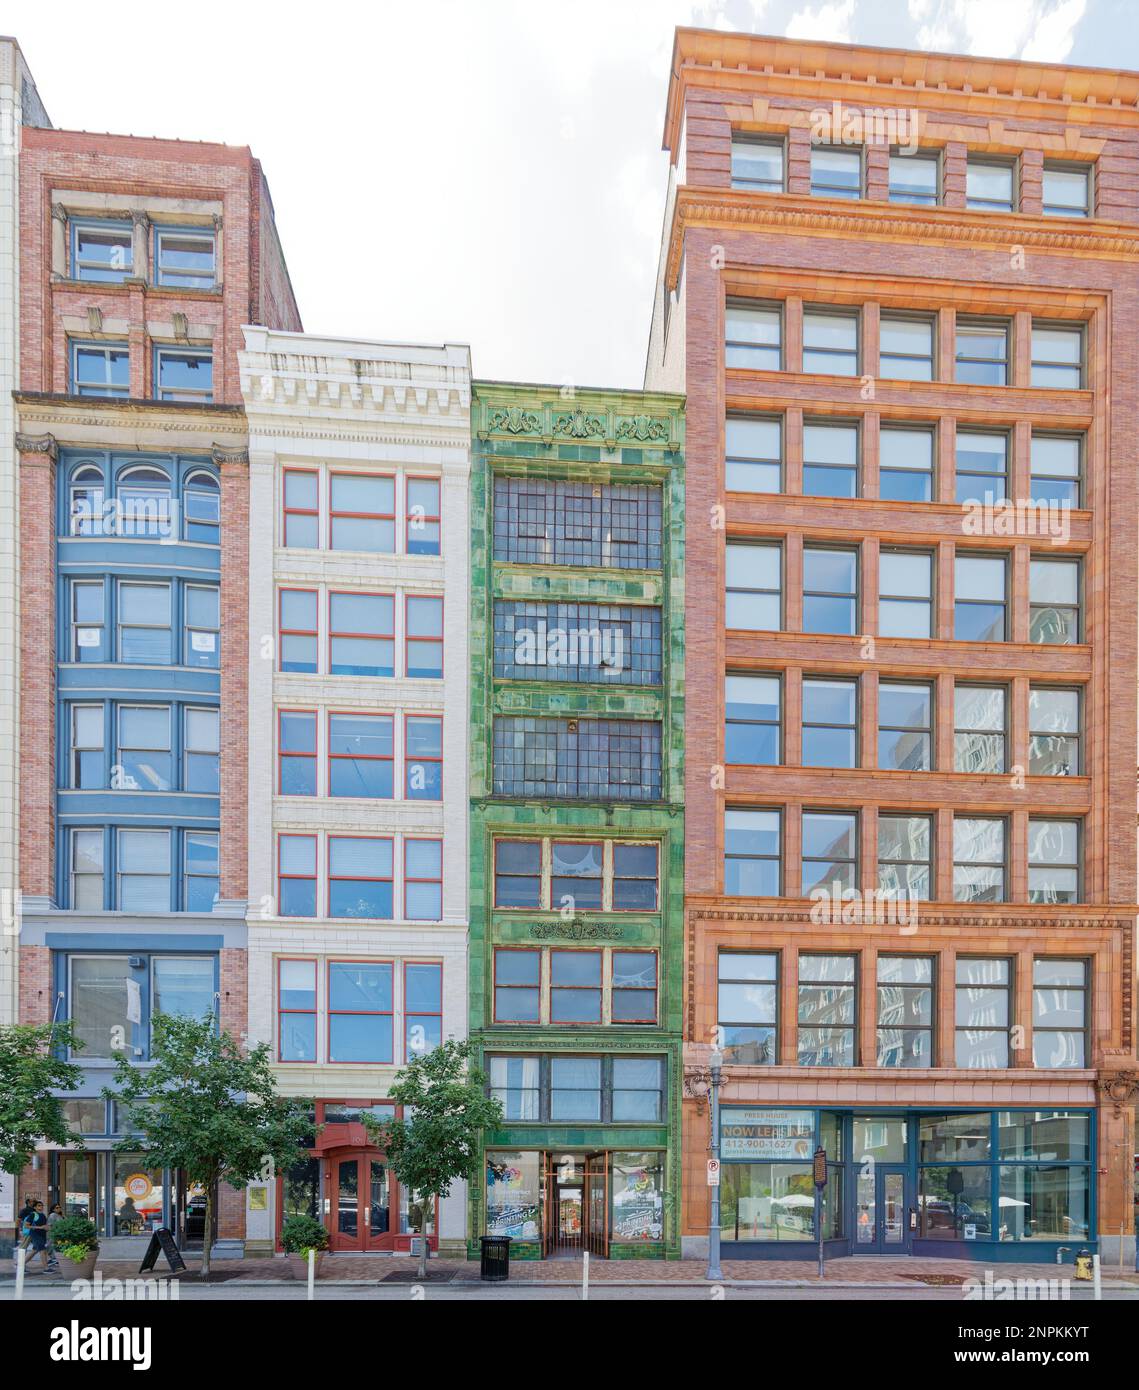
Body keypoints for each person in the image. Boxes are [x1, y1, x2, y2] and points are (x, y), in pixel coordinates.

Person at [22, 1201, 57, 1273]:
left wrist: (48, 1228)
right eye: (39, 1205)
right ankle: (46, 1268)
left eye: (42, 1205)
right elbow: (26, 1225)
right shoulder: (32, 1215)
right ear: (35, 1207)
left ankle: (20, 1265)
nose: (41, 1207)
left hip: (42, 1235)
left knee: (34, 1251)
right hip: (35, 1234)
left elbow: (45, 1226)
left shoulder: (43, 1215)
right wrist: (39, 1227)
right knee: (43, 1250)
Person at [45, 1203, 63, 1270]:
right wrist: (53, 1233)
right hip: (52, 1234)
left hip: (58, 1234)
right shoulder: (52, 1215)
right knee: (51, 1246)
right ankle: (52, 1259)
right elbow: (49, 1225)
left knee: (55, 1246)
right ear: (53, 1209)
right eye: (57, 1208)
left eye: (59, 1207)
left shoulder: (59, 1215)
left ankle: (54, 1259)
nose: (58, 1208)